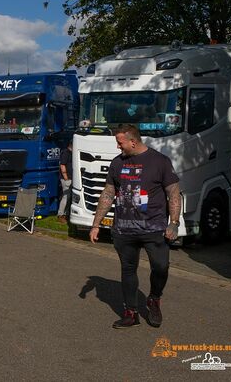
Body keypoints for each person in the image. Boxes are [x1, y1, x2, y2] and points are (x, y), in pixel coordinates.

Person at [89, 124, 181, 329]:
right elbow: (108, 193)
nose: (118, 147)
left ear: (133, 141)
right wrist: (96, 224)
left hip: (154, 228)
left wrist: (174, 223)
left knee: (161, 267)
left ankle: (154, 299)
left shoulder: (160, 161)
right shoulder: (117, 163)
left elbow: (174, 193)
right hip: (124, 229)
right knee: (128, 269)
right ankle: (131, 312)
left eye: (120, 143)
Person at [57, 140, 73, 223]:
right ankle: (60, 214)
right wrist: (66, 178)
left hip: (71, 178)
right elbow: (62, 165)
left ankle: (66, 214)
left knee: (69, 197)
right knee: (66, 196)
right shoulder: (66, 153)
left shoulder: (72, 153)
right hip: (66, 178)